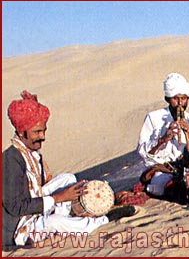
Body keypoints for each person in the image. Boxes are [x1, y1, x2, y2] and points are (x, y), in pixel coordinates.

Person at [2, 91, 126, 251]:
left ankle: (70, 214)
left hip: (34, 208)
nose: (43, 137)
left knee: (67, 179)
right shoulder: (10, 160)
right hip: (19, 228)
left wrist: (61, 197)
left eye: (44, 131)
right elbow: (15, 207)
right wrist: (59, 198)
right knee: (55, 222)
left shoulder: (30, 153)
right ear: (21, 132)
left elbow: (39, 188)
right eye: (37, 132)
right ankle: (101, 221)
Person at [137, 73, 189, 197]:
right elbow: (143, 152)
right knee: (165, 186)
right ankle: (151, 188)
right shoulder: (153, 118)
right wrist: (162, 140)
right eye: (175, 98)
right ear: (168, 99)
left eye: (184, 98)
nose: (180, 103)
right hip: (161, 168)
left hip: (185, 167)